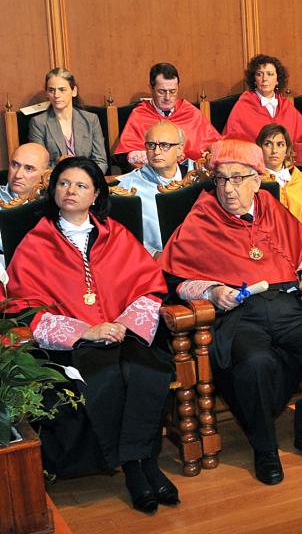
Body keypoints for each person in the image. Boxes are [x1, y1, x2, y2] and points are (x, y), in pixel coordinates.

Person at [158, 139, 302, 485]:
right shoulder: (202, 214)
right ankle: (264, 447)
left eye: (238, 179)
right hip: (239, 312)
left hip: (287, 302)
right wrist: (212, 290)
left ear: (257, 180)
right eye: (222, 179)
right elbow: (176, 278)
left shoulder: (270, 204)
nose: (228, 188)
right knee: (255, 363)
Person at [5, 157, 176, 514]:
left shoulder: (116, 234)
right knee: (107, 376)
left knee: (147, 370)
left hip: (123, 331)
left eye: (81, 185)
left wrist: (124, 325)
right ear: (53, 191)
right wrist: (85, 330)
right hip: (73, 345)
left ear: (96, 193)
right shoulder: (37, 242)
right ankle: (134, 468)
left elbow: (149, 286)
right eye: (64, 184)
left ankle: (146, 462)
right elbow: (25, 306)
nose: (71, 191)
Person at [113, 63, 221, 167]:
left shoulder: (190, 112)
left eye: (173, 91)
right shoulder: (140, 115)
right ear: (151, 89)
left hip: (191, 177)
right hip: (153, 178)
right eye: (162, 91)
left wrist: (211, 154)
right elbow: (125, 156)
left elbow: (216, 145)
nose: (168, 97)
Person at [116, 121, 193, 256]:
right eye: (151, 145)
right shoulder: (128, 186)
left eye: (164, 145)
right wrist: (153, 254)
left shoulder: (197, 177)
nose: (156, 152)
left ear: (180, 149)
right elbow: (122, 236)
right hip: (152, 261)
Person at [28, 68, 108, 173]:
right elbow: (39, 165)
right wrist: (60, 165)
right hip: (56, 181)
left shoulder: (91, 120)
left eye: (62, 89)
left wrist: (85, 177)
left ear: (74, 91)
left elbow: (101, 161)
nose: (56, 95)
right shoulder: (38, 123)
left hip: (87, 180)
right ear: (47, 94)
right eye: (51, 90)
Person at [255, 123, 302, 241]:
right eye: (268, 144)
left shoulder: (296, 176)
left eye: (280, 145)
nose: (274, 151)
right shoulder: (255, 181)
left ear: (287, 149)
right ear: (260, 148)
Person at [223, 54, 302, 143]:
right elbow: (230, 143)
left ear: (277, 80)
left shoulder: (286, 106)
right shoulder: (242, 106)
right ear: (254, 80)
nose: (265, 79)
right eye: (259, 74)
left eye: (270, 74)